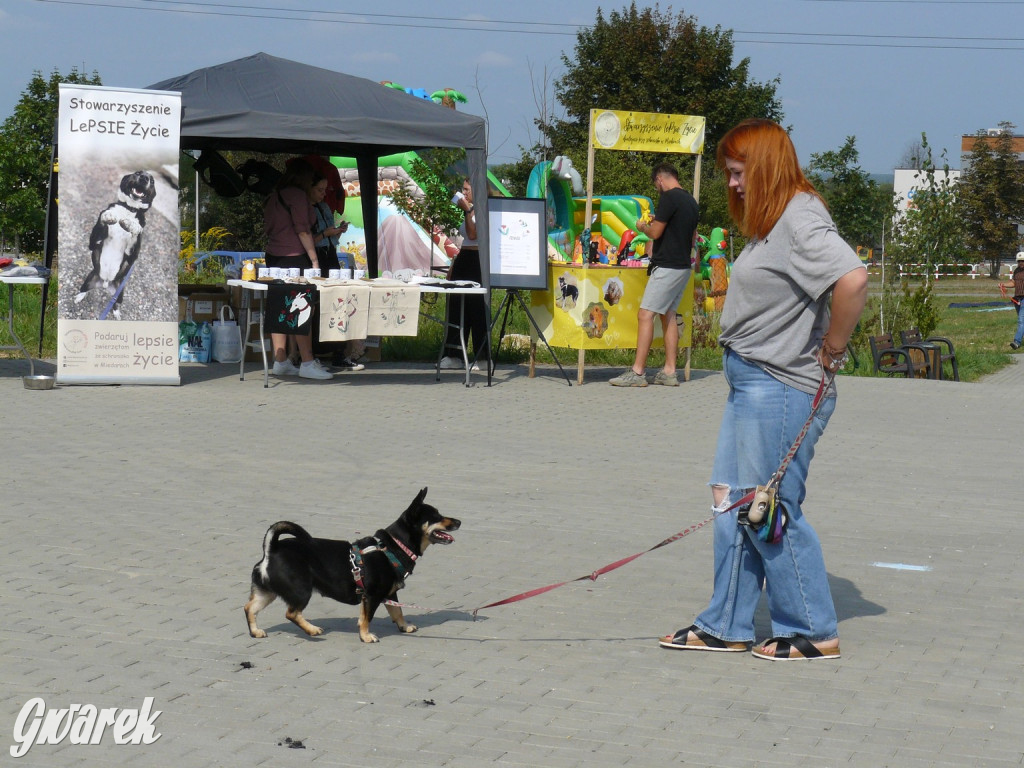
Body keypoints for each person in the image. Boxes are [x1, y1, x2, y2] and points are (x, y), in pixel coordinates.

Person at [659, 119, 867, 661]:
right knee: (732, 503)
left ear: (766, 165)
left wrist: (833, 350)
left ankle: (812, 629)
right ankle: (726, 623)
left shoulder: (800, 218)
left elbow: (853, 278)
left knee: (768, 508)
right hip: (750, 383)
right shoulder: (774, 220)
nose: (731, 184)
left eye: (736, 172)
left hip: (780, 387)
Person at [609, 163, 699, 387]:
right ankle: (669, 371)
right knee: (668, 315)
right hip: (683, 266)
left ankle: (637, 372)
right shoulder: (691, 202)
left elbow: (656, 232)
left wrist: (642, 227)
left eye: (655, 184)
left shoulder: (669, 198)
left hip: (667, 266)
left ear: (660, 179)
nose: (657, 189)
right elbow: (692, 237)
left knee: (645, 314)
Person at [262, 158, 333, 380]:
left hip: (274, 256)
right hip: (294, 257)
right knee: (302, 309)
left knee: (279, 308)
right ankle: (308, 362)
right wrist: (313, 260)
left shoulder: (275, 195)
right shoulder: (298, 196)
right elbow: (303, 231)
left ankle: (280, 360)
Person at [311, 177, 364, 371]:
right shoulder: (306, 209)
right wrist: (326, 234)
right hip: (316, 257)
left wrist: (339, 231)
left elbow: (329, 236)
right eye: (319, 190)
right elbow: (310, 239)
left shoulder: (325, 207)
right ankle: (312, 352)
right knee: (316, 304)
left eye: (325, 190)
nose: (323, 194)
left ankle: (339, 352)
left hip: (330, 254)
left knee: (338, 301)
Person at [439, 178, 489, 370]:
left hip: (478, 260)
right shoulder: (471, 209)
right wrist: (454, 265)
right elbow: (464, 240)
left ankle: (482, 356)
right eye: (463, 189)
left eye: (467, 189)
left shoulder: (481, 210)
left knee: (476, 308)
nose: (464, 193)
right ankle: (454, 355)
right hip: (465, 258)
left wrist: (468, 210)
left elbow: (473, 234)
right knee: (456, 307)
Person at [999, 252, 1024, 350]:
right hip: (1017, 298)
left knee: (1021, 321)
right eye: (1019, 261)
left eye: (1023, 261)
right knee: (1022, 321)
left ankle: (1016, 342)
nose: (1021, 263)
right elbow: (1013, 283)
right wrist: (1004, 284)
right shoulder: (1017, 271)